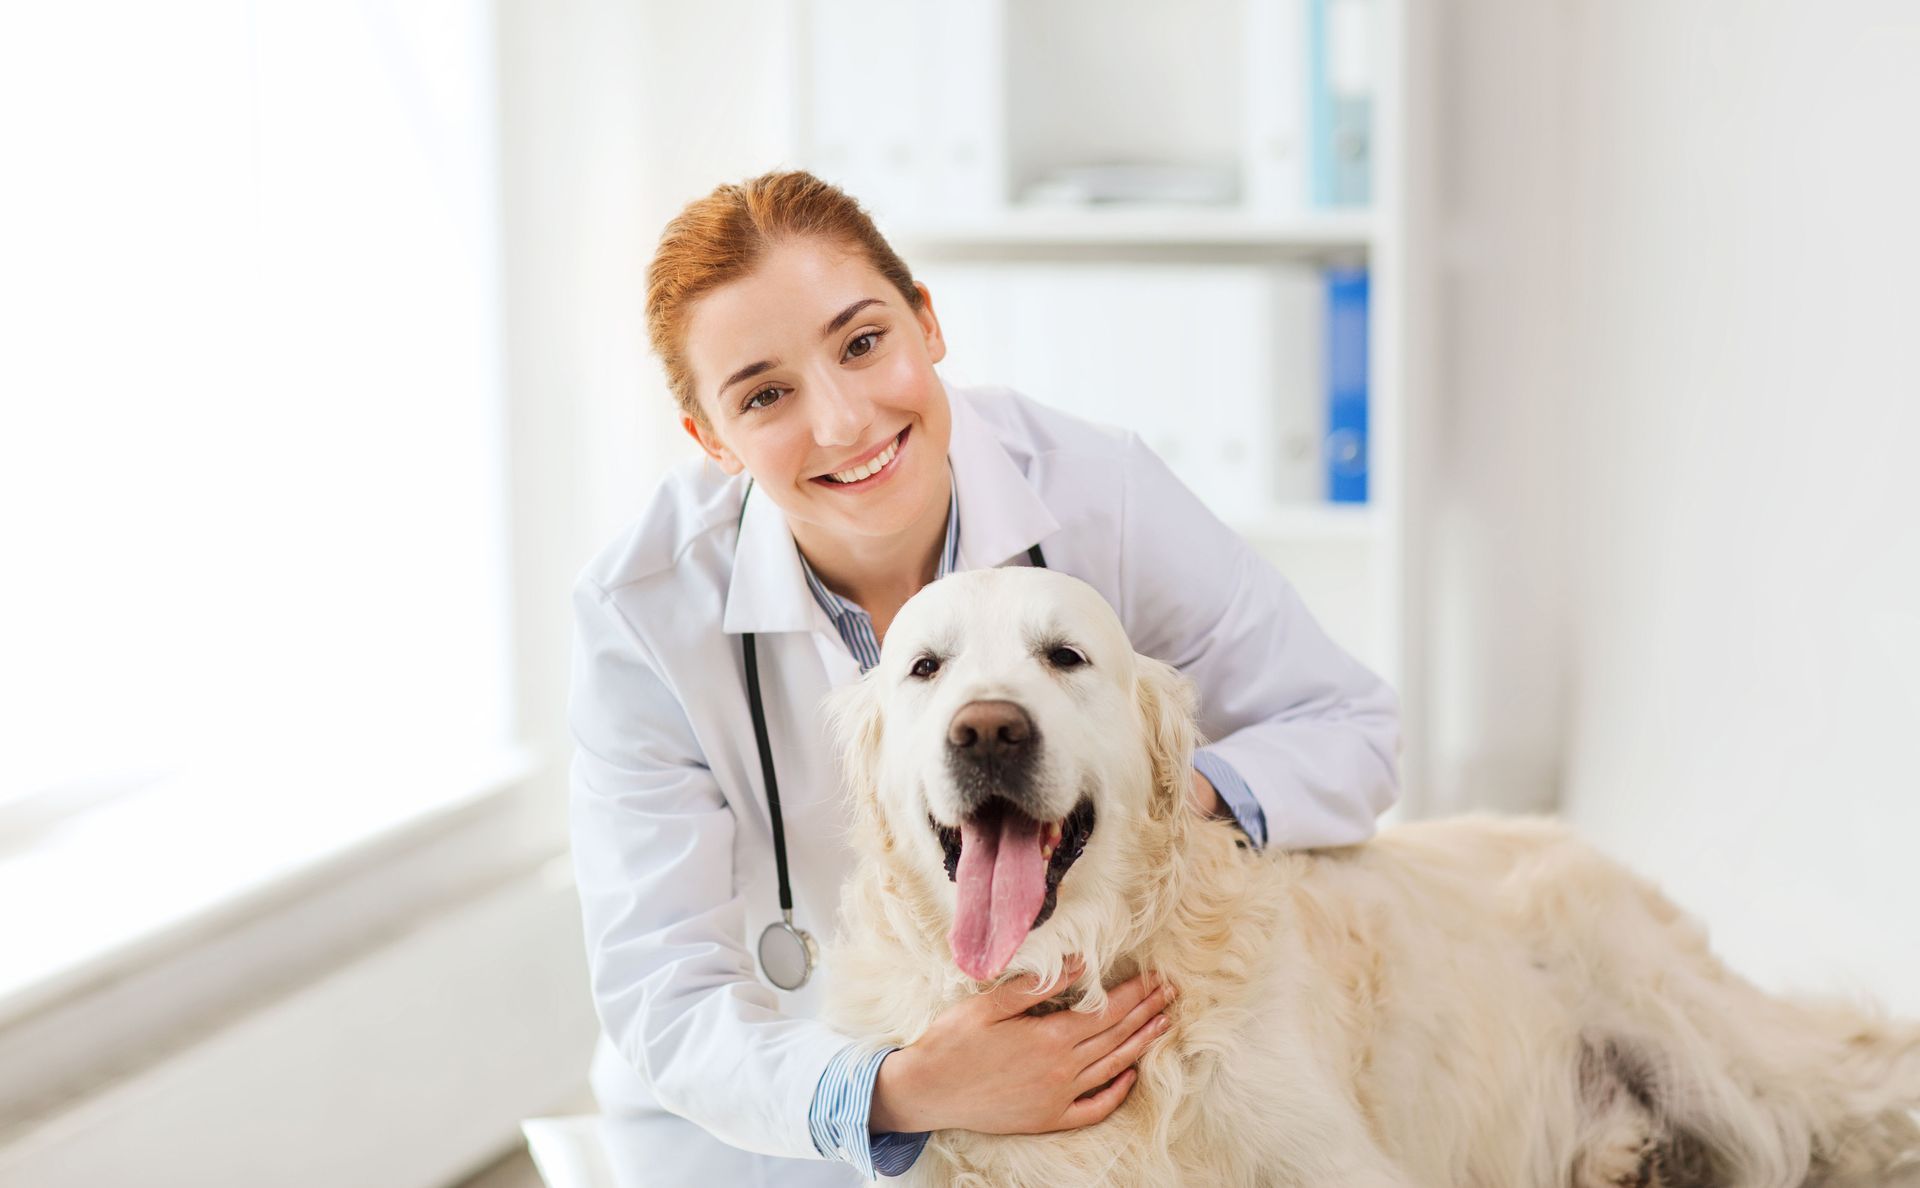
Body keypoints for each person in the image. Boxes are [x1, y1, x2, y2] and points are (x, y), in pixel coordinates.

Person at [567, 169, 1401, 1185]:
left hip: (1083, 1060)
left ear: (928, 324)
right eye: (766, 394)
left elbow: (1352, 725)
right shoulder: (642, 612)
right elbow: (665, 986)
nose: (842, 421)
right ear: (711, 439)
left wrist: (1157, 794)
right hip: (776, 1104)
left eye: (863, 342)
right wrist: (905, 1089)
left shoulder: (1102, 490)